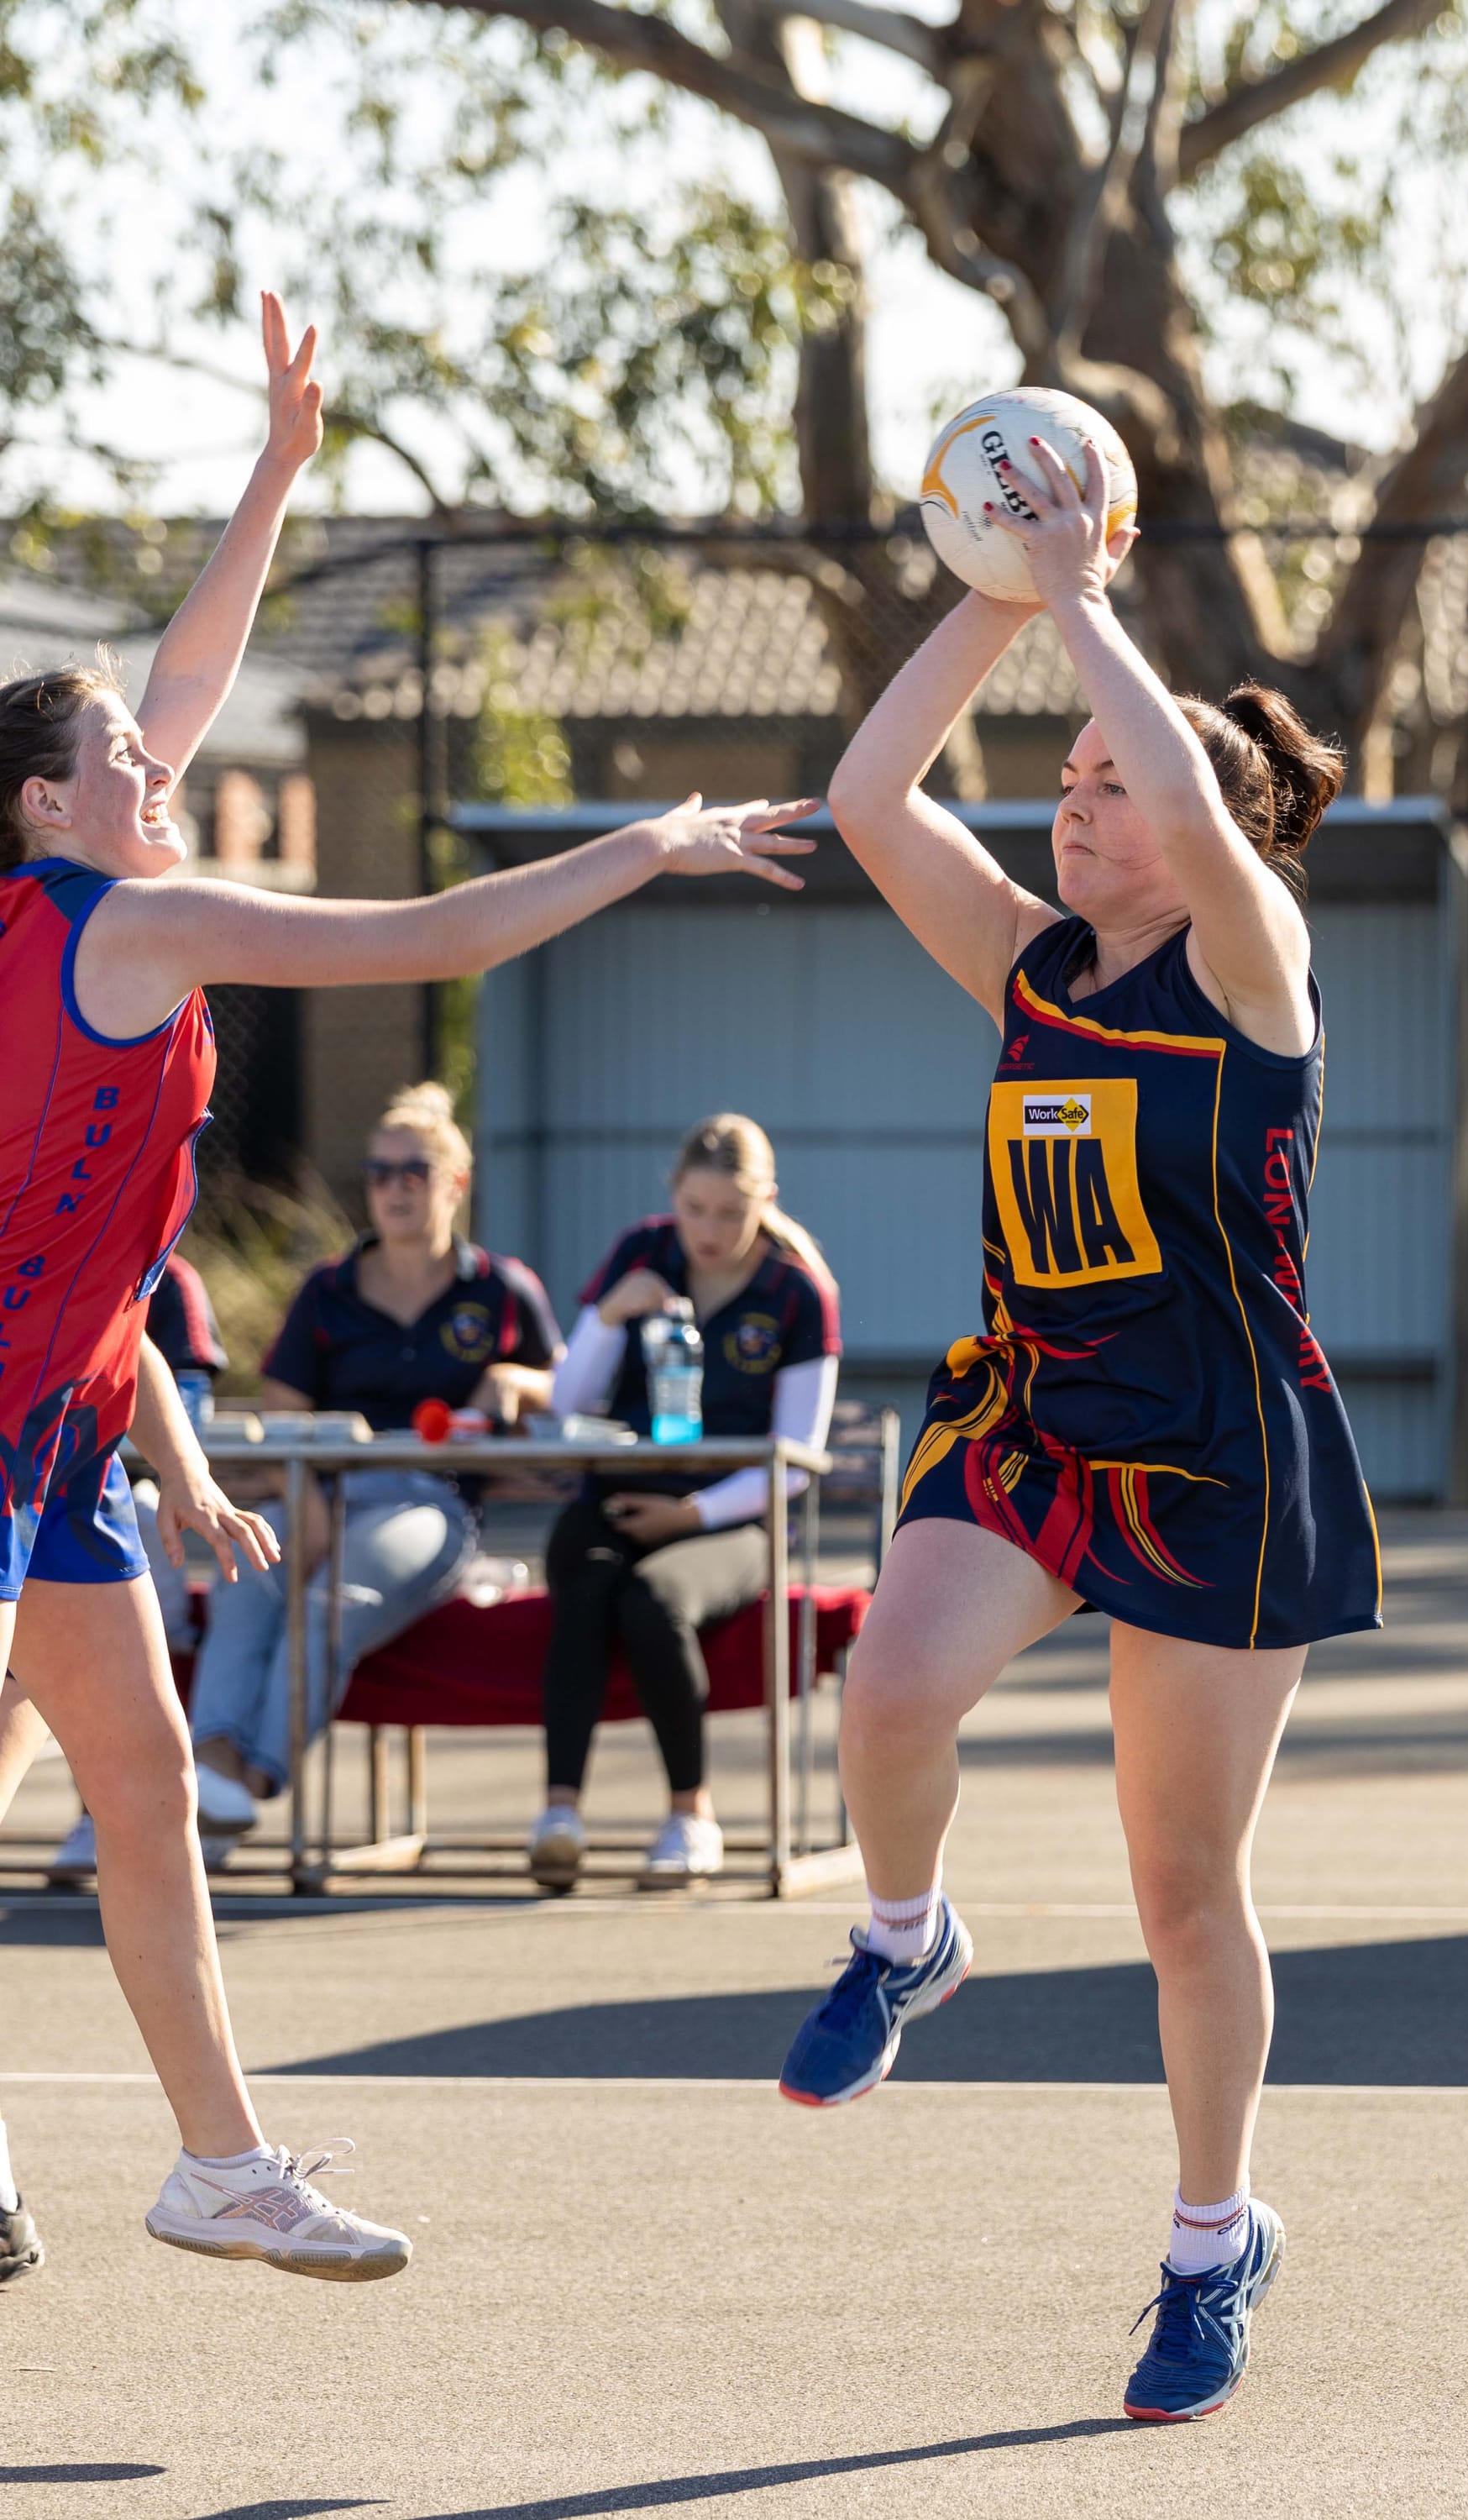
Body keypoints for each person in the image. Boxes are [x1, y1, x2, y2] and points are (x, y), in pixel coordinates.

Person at [0, 289, 816, 2283]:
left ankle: (218, 2161)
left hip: (70, 1426)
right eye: (120, 746)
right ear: (47, 800)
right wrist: (642, 841)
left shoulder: (85, 898)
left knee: (136, 1790)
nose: (155, 745)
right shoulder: (141, 923)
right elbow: (436, 920)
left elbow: (185, 669)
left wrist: (281, 459)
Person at [776, 438, 1380, 2423]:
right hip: (1040, 1423)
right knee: (882, 1691)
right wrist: (995, 586)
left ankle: (1212, 2245)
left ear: (1201, 819)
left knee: (1176, 1888)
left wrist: (1087, 594)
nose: (1072, 795)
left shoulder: (1247, 960)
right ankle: (904, 1932)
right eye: (1065, 776)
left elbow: (1195, 805)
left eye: (1103, 779)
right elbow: (870, 796)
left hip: (1216, 1450)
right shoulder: (1029, 968)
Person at [188, 1081, 560, 1842]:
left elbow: (570, 1386)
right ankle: (207, 1765)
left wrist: (517, 1381)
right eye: (380, 1172)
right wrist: (314, 1497)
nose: (394, 1188)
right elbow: (284, 1415)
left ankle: (253, 1775)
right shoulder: (328, 1289)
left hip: (434, 1502)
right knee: (247, 1581)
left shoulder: (502, 1289)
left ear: (455, 1183)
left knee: (334, 1600)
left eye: (414, 1172)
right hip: (323, 1487)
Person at [531, 1115, 840, 1887]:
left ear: (767, 1200)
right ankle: (559, 1811)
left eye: (732, 1212)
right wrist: (608, 1317)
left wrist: (690, 1516)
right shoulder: (642, 1252)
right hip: (620, 1495)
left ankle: (690, 1813)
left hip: (731, 1516)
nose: (710, 1230)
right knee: (585, 1575)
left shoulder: (798, 1292)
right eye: (696, 1209)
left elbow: (794, 1462)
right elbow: (566, 1402)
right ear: (673, 1196)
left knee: (651, 1601)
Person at [45, 1250, 228, 1882]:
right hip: (53, 1495)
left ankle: (119, 1806)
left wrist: (184, 1470)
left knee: (156, 1784)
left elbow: (136, 1348)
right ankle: (107, 1809)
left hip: (105, 1497)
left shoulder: (163, 1273)